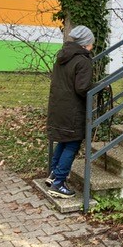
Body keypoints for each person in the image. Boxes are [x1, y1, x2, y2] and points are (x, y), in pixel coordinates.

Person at [45, 25, 95, 198]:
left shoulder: (63, 57)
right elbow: (82, 88)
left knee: (64, 141)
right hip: (73, 110)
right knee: (72, 143)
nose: (93, 45)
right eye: (91, 42)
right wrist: (97, 87)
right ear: (86, 43)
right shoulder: (83, 61)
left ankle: (54, 174)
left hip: (59, 108)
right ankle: (58, 183)